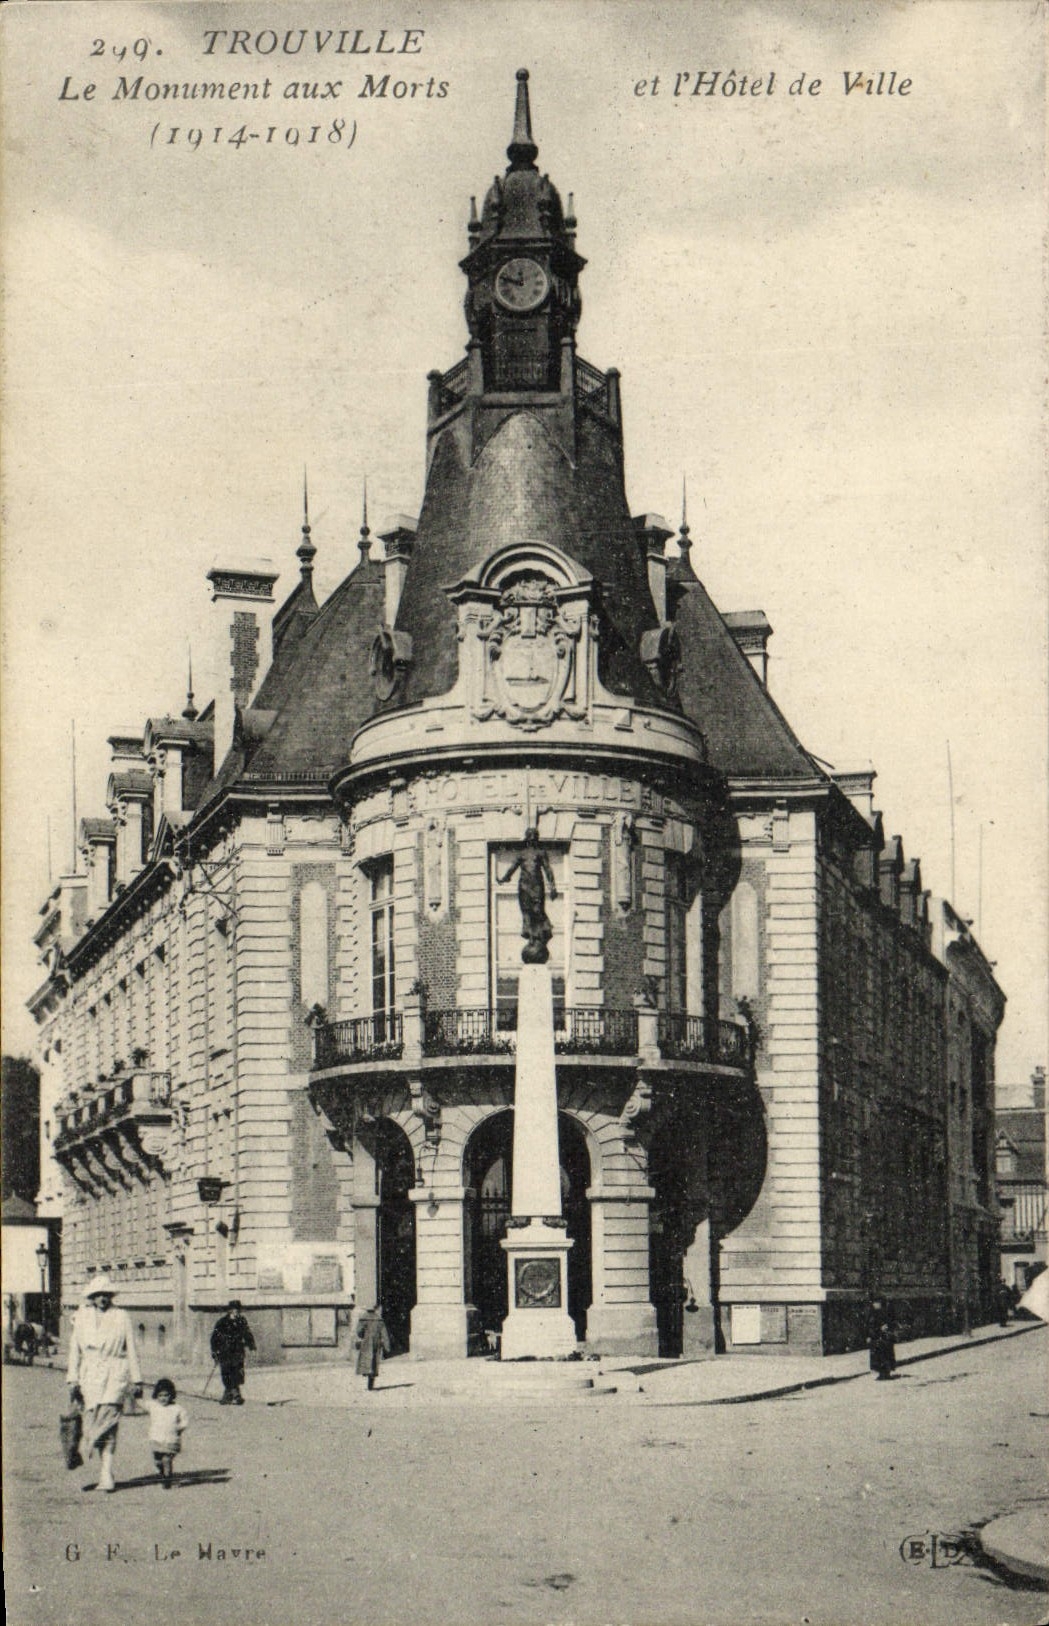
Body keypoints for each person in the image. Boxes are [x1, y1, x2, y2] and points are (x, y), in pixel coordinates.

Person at [67, 1275, 142, 1492]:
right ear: (92, 1297)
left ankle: (104, 1470)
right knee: (93, 1421)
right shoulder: (81, 1317)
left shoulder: (121, 1316)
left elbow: (131, 1348)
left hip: (114, 1374)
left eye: (106, 1295)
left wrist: (137, 1379)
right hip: (89, 1375)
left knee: (109, 1423)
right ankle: (101, 1468)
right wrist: (72, 1378)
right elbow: (74, 1350)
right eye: (98, 1295)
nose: (102, 1299)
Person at [497, 828, 558, 964]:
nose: (532, 841)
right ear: (527, 840)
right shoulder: (522, 854)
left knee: (538, 910)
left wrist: (553, 887)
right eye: (530, 838)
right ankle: (531, 937)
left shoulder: (540, 853)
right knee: (526, 911)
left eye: (534, 838)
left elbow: (548, 869)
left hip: (537, 886)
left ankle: (540, 934)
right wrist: (504, 878)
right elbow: (512, 868)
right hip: (524, 886)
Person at [144, 1377, 189, 1488]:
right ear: (156, 1395)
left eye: (166, 1395)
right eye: (160, 1395)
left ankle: (167, 1479)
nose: (163, 1398)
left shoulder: (178, 1408)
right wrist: (136, 1394)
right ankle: (163, 1472)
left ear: (171, 1395)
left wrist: (179, 1428)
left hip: (171, 1440)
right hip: (156, 1439)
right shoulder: (153, 1406)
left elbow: (184, 1421)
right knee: (158, 1461)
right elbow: (141, 1403)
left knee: (166, 1459)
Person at [210, 1300, 256, 1405]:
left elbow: (247, 1333)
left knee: (237, 1372)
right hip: (225, 1352)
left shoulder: (242, 1321)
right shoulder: (222, 1322)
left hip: (237, 1351)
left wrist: (251, 1346)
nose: (236, 1312)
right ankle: (233, 1394)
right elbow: (214, 1338)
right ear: (229, 1310)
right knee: (226, 1372)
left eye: (238, 1310)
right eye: (234, 1310)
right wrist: (215, 1351)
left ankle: (231, 1394)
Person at [354, 1304, 391, 1391]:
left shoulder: (363, 1319)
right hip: (375, 1342)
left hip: (366, 1343)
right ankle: (371, 1383)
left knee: (367, 1361)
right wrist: (387, 1346)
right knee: (374, 1362)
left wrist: (363, 1335)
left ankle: (368, 1377)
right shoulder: (379, 1319)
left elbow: (359, 1332)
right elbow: (384, 1334)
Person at [866, 1294, 897, 1380]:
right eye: (874, 1302)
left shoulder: (885, 1312)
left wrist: (886, 1327)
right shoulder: (872, 1313)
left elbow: (892, 1322)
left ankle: (886, 1373)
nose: (875, 1304)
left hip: (884, 1338)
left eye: (877, 1302)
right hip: (875, 1338)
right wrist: (868, 1336)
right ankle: (881, 1373)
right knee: (877, 1356)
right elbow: (868, 1325)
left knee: (885, 1355)